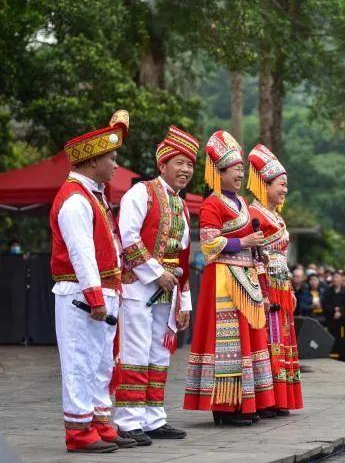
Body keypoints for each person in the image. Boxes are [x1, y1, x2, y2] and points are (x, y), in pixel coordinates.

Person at [50, 110, 136, 452]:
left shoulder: (93, 195)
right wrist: (96, 297)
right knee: (80, 362)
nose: (116, 164)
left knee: (101, 363)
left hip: (99, 292)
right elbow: (82, 253)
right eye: (111, 158)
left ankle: (100, 422)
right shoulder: (75, 199)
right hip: (81, 294)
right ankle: (79, 431)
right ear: (92, 161)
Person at [183, 131, 275, 426]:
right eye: (235, 169)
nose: (240, 174)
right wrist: (243, 242)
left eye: (241, 169)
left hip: (246, 277)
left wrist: (258, 255)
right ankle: (224, 406)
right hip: (223, 278)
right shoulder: (212, 203)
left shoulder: (243, 203)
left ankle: (246, 402)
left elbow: (250, 241)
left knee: (247, 341)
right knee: (228, 344)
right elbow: (209, 243)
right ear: (219, 173)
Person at [114, 125, 196, 443]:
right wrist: (155, 273)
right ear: (162, 165)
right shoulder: (141, 193)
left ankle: (153, 418)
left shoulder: (182, 206)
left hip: (168, 290)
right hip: (138, 286)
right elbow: (128, 238)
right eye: (179, 163)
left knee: (159, 354)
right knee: (135, 352)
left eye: (190, 165)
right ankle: (129, 420)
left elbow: (183, 257)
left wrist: (184, 302)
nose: (186, 170)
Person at [247, 143, 303, 415]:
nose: (284, 190)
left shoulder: (275, 217)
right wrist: (264, 290)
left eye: (286, 186)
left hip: (281, 284)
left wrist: (289, 288)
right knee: (269, 337)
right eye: (281, 185)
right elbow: (256, 256)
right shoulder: (254, 214)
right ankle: (268, 398)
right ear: (265, 184)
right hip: (267, 284)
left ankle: (280, 398)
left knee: (281, 336)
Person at [322, 271, 345, 351]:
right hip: (330, 316)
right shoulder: (327, 291)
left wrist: (340, 311)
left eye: (337, 277)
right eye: (334, 277)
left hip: (343, 317)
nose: (335, 279)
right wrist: (334, 309)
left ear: (341, 279)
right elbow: (324, 304)